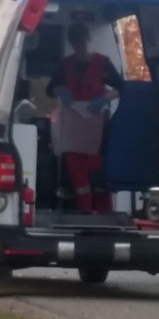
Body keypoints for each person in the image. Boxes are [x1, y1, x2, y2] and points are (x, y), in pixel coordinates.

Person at [48, 22, 125, 213]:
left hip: (96, 123)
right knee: (74, 163)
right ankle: (84, 209)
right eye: (76, 42)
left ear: (88, 40)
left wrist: (104, 98)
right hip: (73, 123)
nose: (79, 45)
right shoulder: (66, 65)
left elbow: (121, 87)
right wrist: (62, 90)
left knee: (96, 165)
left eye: (82, 41)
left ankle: (104, 211)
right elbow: (50, 89)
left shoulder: (102, 63)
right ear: (72, 43)